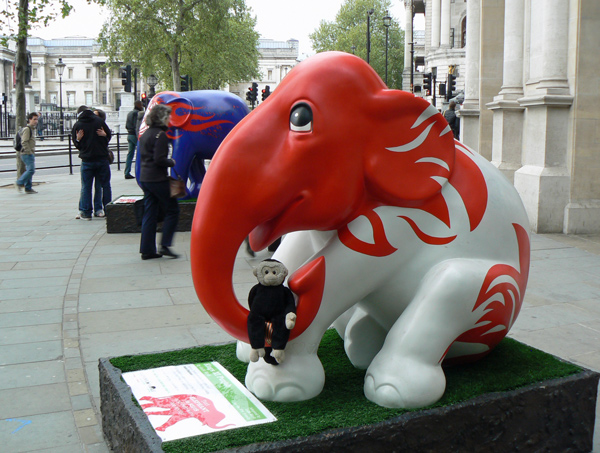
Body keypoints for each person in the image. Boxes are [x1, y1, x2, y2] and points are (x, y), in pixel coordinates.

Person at [138, 104, 179, 260]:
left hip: (146, 178)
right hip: (157, 179)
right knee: (173, 210)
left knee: (150, 213)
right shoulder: (160, 135)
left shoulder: (146, 134)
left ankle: (147, 250)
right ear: (162, 118)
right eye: (168, 117)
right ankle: (165, 245)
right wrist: (172, 162)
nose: (170, 120)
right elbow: (159, 159)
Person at [72, 105, 112, 220]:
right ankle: (107, 209)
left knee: (86, 187)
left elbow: (76, 144)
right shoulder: (99, 121)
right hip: (101, 158)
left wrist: (79, 139)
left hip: (87, 159)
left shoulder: (78, 124)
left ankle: (86, 212)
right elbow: (108, 137)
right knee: (105, 185)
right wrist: (105, 136)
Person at [15, 112, 39, 194]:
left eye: (37, 119)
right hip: (26, 153)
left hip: (29, 152)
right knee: (31, 170)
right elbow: (24, 141)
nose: (36, 121)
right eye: (34, 119)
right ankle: (19, 182)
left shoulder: (31, 129)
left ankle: (28, 188)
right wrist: (28, 151)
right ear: (29, 119)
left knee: (29, 169)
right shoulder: (27, 129)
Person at [124, 100, 144, 179]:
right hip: (135, 135)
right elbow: (137, 126)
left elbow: (126, 125)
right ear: (139, 105)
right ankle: (139, 172)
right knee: (141, 153)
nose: (142, 106)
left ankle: (127, 172)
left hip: (129, 134)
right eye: (141, 105)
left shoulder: (129, 113)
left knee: (130, 155)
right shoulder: (137, 114)